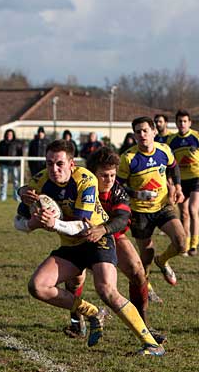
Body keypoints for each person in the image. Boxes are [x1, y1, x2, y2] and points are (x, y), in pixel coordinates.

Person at [15, 139, 165, 356]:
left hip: (97, 240)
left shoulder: (86, 179)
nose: (54, 169)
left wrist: (53, 224)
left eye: (59, 164)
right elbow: (17, 219)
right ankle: (93, 313)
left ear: (71, 164)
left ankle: (151, 344)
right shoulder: (40, 182)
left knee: (107, 289)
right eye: (49, 163)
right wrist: (30, 223)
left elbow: (83, 225)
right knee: (37, 287)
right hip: (71, 246)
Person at [62, 147, 166, 344]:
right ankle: (77, 320)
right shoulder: (78, 186)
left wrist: (103, 229)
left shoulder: (118, 191)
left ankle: (144, 325)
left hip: (111, 236)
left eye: (112, 175)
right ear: (92, 174)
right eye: (104, 175)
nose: (109, 180)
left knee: (138, 272)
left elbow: (122, 218)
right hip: (79, 239)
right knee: (75, 280)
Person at [118, 116, 186, 293]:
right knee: (146, 256)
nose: (142, 135)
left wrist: (177, 186)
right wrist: (137, 194)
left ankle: (162, 260)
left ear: (154, 132)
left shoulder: (164, 150)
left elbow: (174, 167)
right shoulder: (128, 158)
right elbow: (117, 186)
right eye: (138, 132)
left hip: (163, 206)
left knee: (181, 243)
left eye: (145, 130)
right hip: (140, 212)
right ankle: (146, 285)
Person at [166, 110, 199, 256]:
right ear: (176, 123)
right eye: (179, 121)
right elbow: (169, 163)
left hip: (197, 177)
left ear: (189, 123)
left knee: (193, 210)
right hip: (180, 181)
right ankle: (185, 244)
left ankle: (194, 244)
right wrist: (170, 178)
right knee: (184, 213)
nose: (182, 124)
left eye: (184, 121)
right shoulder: (171, 141)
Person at [0, 129, 24, 201]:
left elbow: (20, 153)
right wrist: (0, 162)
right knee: (4, 181)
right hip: (4, 165)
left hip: (14, 165)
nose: (9, 136)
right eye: (8, 134)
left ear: (13, 135)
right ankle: (3, 197)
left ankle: (17, 197)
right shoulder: (2, 143)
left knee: (16, 181)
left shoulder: (17, 143)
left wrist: (18, 163)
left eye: (10, 134)